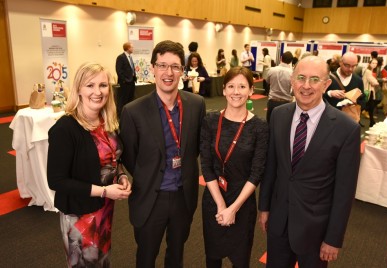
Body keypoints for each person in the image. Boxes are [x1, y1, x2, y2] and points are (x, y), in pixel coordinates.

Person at [259, 56, 361, 267]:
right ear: (292, 81)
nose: (306, 86)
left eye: (315, 79)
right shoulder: (278, 115)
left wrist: (333, 238)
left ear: (326, 84)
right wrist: (265, 207)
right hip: (279, 223)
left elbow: (345, 190)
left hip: (316, 231)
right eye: (301, 78)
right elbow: (272, 167)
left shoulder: (346, 129)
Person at [119, 40, 206, 268]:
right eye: (162, 65)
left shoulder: (196, 105)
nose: (169, 73)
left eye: (175, 67)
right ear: (153, 68)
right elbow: (129, 156)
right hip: (150, 196)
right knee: (146, 257)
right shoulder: (133, 111)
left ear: (182, 71)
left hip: (182, 195)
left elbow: (195, 147)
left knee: (176, 255)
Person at [47, 62, 132, 267]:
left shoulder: (107, 122)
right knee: (84, 263)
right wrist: (104, 191)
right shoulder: (65, 128)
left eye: (103, 85)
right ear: (78, 89)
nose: (97, 92)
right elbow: (56, 181)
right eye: (90, 85)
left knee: (101, 260)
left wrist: (120, 175)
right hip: (79, 213)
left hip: (104, 208)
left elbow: (113, 158)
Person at [200, 66, 268, 267]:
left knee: (240, 260)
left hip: (243, 202)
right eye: (231, 86)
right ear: (223, 89)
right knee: (212, 258)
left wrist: (233, 209)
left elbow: (257, 173)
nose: (236, 92)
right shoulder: (210, 121)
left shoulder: (260, 127)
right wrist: (221, 206)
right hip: (214, 199)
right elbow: (206, 165)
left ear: (251, 91)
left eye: (242, 86)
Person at [266, 51, 293, 123]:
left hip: (273, 101)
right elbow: (293, 90)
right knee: (284, 125)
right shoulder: (292, 73)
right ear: (290, 61)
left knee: (269, 124)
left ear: (281, 58)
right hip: (286, 102)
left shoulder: (271, 70)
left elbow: (267, 82)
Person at [115, 42, 137, 117]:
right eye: (132, 47)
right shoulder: (121, 57)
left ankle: (129, 115)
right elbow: (119, 70)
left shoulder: (130, 57)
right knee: (123, 100)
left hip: (132, 81)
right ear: (128, 48)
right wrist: (124, 80)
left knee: (130, 99)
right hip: (125, 83)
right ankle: (121, 116)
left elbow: (131, 69)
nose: (133, 48)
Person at [362, 58, 380, 127]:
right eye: (373, 63)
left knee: (370, 106)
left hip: (369, 91)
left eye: (376, 63)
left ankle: (372, 121)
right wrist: (376, 82)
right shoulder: (368, 71)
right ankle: (371, 121)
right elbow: (374, 82)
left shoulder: (369, 71)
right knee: (366, 106)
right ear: (370, 63)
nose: (374, 65)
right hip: (368, 91)